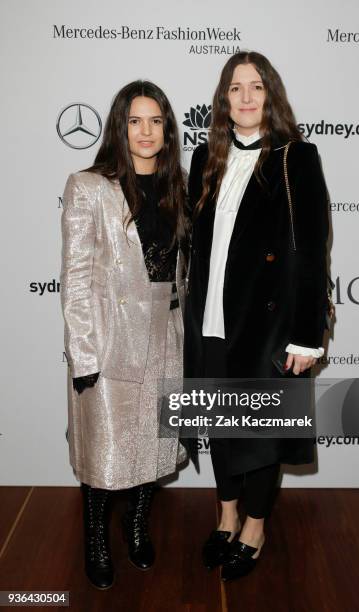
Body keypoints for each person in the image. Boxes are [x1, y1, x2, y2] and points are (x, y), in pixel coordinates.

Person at [184, 51, 329, 581]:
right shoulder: (206, 158)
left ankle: (255, 527)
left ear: (271, 95)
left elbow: (313, 254)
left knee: (262, 431)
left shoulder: (297, 157)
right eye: (235, 88)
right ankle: (226, 517)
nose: (246, 98)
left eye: (256, 87)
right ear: (224, 99)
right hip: (210, 319)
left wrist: (305, 336)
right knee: (221, 427)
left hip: (266, 324)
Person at [60, 80, 189, 589]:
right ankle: (95, 537)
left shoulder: (177, 184)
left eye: (156, 120)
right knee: (104, 447)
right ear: (119, 126)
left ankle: (137, 528)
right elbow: (76, 278)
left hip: (166, 330)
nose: (146, 131)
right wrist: (85, 354)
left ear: (168, 129)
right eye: (135, 120)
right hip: (111, 337)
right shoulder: (88, 186)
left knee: (153, 441)